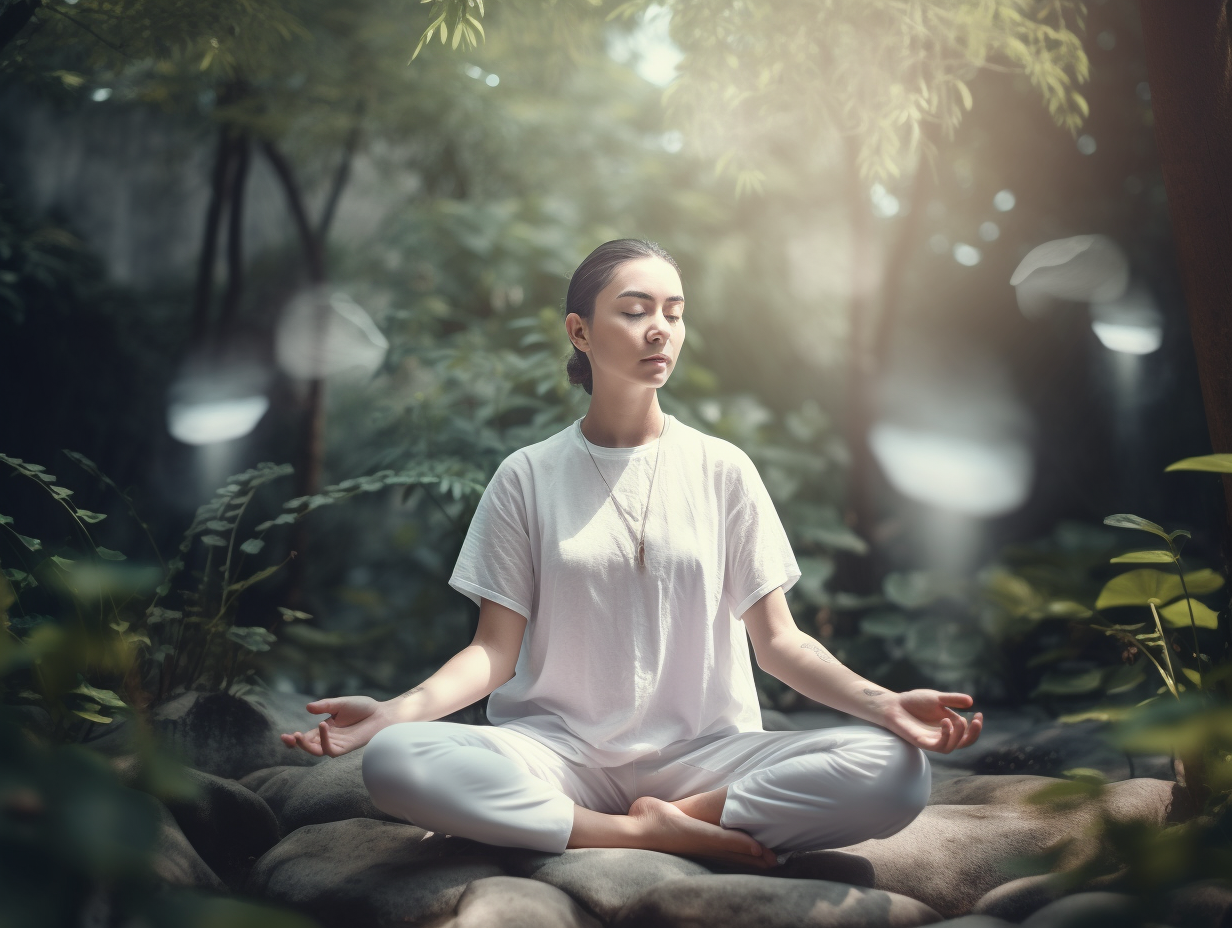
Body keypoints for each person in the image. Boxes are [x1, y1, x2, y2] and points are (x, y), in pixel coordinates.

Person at [280, 238, 984, 869]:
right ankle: (639, 835)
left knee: (896, 771)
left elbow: (778, 642)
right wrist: (394, 712)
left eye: (674, 313)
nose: (661, 330)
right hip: (558, 754)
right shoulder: (527, 475)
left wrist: (885, 703)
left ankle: (669, 821)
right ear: (579, 331)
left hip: (705, 757)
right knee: (400, 759)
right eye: (636, 309)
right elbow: (495, 653)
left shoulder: (722, 469)